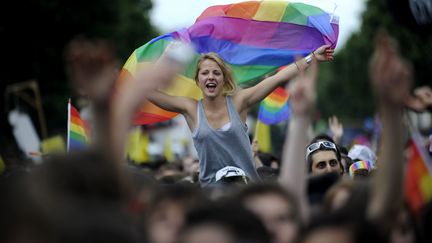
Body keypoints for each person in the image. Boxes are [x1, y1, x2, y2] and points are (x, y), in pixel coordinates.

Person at [145, 45, 334, 186]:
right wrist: (165, 58)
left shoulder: (239, 101)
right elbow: (149, 92)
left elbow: (279, 78)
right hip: (211, 191)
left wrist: (312, 58)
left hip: (247, 188)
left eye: (216, 73)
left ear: (224, 80)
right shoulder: (190, 108)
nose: (210, 77)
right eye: (205, 73)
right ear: (198, 80)